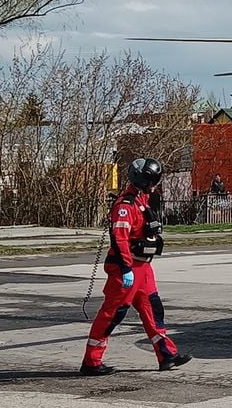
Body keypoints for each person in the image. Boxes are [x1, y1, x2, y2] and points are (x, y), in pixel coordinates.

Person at [81, 157, 192, 376]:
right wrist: (125, 268)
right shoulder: (126, 205)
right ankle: (91, 362)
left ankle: (166, 354)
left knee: (153, 309)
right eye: (152, 180)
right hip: (127, 268)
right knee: (112, 314)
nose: (155, 185)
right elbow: (120, 239)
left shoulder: (142, 201)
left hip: (143, 269)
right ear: (142, 179)